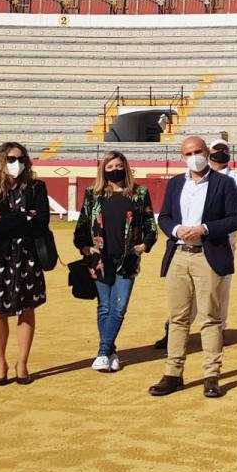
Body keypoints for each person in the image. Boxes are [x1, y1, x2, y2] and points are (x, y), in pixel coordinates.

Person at [148, 136, 237, 399]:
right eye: (188, 153)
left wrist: (205, 229)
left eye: (198, 151)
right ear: (182, 157)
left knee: (210, 318)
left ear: (207, 153)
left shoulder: (224, 183)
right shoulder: (177, 183)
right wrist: (176, 229)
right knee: (177, 318)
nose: (194, 156)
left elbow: (235, 219)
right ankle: (173, 373)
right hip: (179, 253)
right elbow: (165, 217)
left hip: (207, 253)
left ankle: (211, 375)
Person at [73, 151, 157, 372]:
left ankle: (102, 352)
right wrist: (84, 247)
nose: (114, 170)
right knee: (104, 307)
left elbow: (150, 226)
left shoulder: (139, 194)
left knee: (118, 308)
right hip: (100, 259)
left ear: (126, 167)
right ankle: (110, 352)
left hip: (127, 258)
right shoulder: (93, 194)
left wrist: (144, 245)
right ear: (103, 170)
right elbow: (81, 226)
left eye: (118, 166)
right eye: (109, 167)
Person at [0, 142, 49, 386]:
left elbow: (41, 223)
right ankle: (0, 363)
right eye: (10, 158)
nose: (16, 163)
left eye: (21, 158)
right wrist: (24, 217)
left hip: (28, 258)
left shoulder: (37, 187)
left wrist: (5, 219)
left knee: (27, 311)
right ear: (0, 160)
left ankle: (22, 362)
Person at [209, 138, 237, 336]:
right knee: (190, 288)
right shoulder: (198, 175)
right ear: (210, 151)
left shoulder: (236, 179)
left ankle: (220, 328)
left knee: (222, 287)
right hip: (199, 238)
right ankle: (178, 326)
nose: (221, 152)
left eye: (225, 149)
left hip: (225, 238)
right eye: (218, 149)